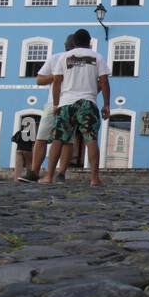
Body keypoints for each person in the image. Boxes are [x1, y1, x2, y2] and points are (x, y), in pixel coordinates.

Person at [40, 28, 109, 187]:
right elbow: (104, 82)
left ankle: (49, 176)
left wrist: (56, 104)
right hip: (88, 103)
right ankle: (94, 179)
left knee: (58, 139)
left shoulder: (63, 57)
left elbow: (56, 82)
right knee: (91, 139)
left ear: (74, 43)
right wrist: (106, 104)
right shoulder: (97, 57)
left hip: (67, 103)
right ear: (90, 42)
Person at [25, 35, 75, 182]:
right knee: (42, 137)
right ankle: (34, 172)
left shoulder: (82, 61)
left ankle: (61, 173)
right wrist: (55, 77)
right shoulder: (55, 59)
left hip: (70, 102)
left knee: (67, 140)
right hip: (53, 101)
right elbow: (39, 79)